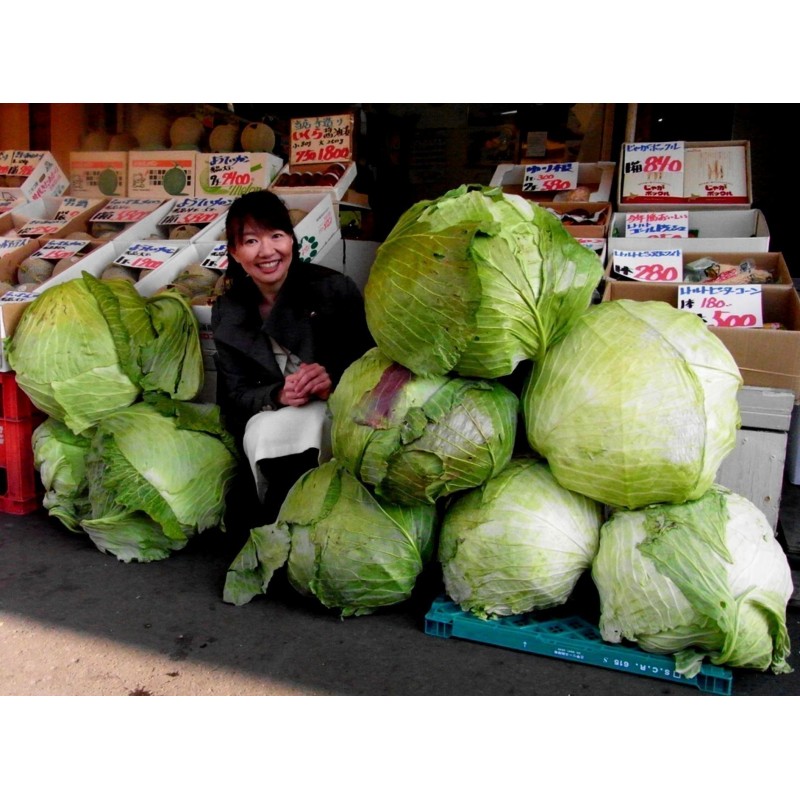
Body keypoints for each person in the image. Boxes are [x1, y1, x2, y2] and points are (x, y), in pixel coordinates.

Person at [212, 189, 374, 527]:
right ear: (235, 252)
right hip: (271, 419)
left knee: (315, 427)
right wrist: (277, 394)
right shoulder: (229, 310)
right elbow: (233, 395)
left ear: (291, 240)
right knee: (265, 431)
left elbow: (372, 365)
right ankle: (279, 522)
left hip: (340, 414)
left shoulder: (333, 289)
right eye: (251, 241)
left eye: (276, 235)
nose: (267, 251)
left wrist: (332, 382)